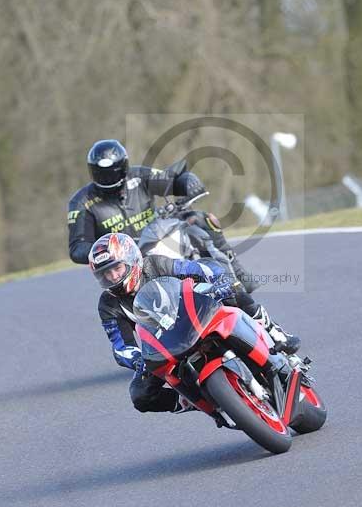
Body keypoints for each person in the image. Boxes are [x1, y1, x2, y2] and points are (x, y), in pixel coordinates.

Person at [88, 232, 301, 414]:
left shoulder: (155, 264)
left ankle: (274, 331)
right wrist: (137, 360)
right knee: (139, 395)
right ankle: (188, 401)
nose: (113, 277)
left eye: (117, 268)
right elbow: (121, 347)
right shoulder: (108, 304)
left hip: (194, 315)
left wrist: (217, 282)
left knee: (232, 289)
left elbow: (198, 269)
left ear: (131, 260)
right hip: (164, 343)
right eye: (105, 274)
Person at [68, 138, 257, 291]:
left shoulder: (138, 176)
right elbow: (77, 248)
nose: (108, 180)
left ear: (123, 168)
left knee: (203, 219)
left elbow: (169, 180)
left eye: (112, 173)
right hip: (124, 263)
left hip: (158, 236)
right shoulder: (82, 202)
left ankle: (236, 272)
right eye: (103, 174)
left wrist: (186, 182)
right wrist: (108, 250)